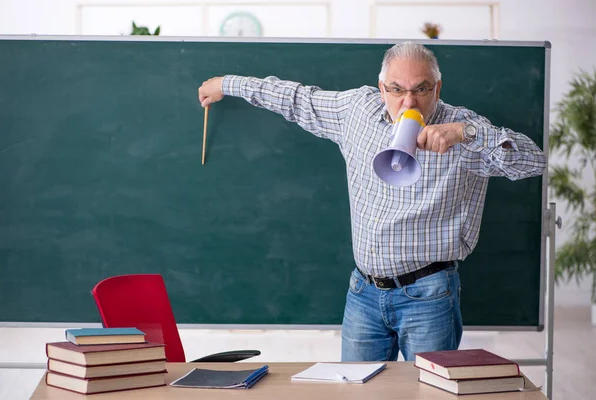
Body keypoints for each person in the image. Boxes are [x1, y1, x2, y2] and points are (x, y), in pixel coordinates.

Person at [198, 41, 546, 362]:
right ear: (382, 89)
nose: (408, 102)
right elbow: (295, 98)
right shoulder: (357, 111)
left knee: (426, 394)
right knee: (356, 392)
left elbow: (535, 161)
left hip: (429, 296)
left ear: (437, 88)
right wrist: (227, 84)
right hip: (363, 292)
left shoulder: (463, 131)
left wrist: (467, 134)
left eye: (421, 89)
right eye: (396, 90)